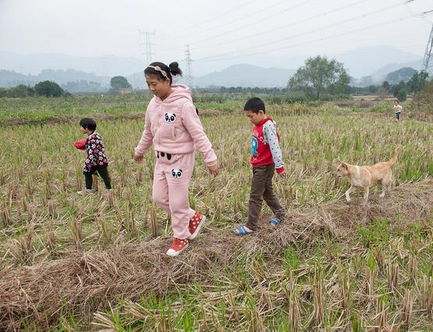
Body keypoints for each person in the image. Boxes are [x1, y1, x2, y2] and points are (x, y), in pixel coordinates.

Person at [133, 61, 219, 257]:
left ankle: (181, 237)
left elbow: (199, 134)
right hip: (161, 160)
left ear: (167, 80)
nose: (151, 88)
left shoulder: (183, 105)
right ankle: (193, 217)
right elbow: (148, 131)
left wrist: (210, 159)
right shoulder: (152, 105)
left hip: (180, 160)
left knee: (178, 202)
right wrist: (139, 150)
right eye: (148, 84)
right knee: (159, 197)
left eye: (154, 83)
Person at [233, 97, 286, 235]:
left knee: (255, 196)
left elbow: (275, 147)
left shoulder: (268, 126)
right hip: (259, 165)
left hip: (264, 167)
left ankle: (251, 226)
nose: (250, 119)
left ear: (261, 112)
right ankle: (281, 214)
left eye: (251, 116)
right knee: (267, 192)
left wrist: (280, 166)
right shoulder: (259, 125)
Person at [75, 118, 112, 195]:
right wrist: (86, 145)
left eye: (81, 127)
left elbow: (93, 152)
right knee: (87, 173)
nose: (80, 129)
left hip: (99, 161)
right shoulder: (94, 135)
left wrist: (88, 163)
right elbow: (93, 147)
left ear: (87, 128)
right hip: (98, 161)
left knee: (104, 175)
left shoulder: (92, 138)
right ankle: (89, 189)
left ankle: (109, 190)